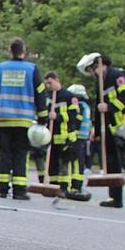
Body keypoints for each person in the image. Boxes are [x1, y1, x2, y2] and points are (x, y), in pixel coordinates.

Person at [76, 52, 125, 208]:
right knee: (111, 161)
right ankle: (115, 198)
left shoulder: (118, 75)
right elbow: (98, 107)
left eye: (91, 70)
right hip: (111, 127)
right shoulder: (100, 82)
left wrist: (109, 107)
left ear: (100, 65)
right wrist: (95, 130)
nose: (91, 74)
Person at [0, 38, 48, 200]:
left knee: (4, 154)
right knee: (21, 154)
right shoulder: (31, 69)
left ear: (10, 51)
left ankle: (2, 189)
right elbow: (40, 93)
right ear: (24, 51)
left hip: (3, 120)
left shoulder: (0, 68)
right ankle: (19, 190)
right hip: (24, 120)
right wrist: (43, 117)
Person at [43, 72, 90, 201]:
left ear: (57, 80)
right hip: (52, 136)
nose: (48, 85)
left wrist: (57, 117)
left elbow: (74, 115)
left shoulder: (69, 96)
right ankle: (53, 187)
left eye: (50, 83)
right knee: (52, 163)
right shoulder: (48, 97)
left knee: (65, 163)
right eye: (46, 83)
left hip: (66, 136)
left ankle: (63, 188)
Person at [68, 82, 93, 178]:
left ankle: (77, 179)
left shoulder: (80, 106)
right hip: (84, 135)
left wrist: (72, 130)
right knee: (80, 157)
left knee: (77, 158)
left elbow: (77, 119)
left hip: (78, 135)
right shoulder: (86, 106)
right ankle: (78, 177)